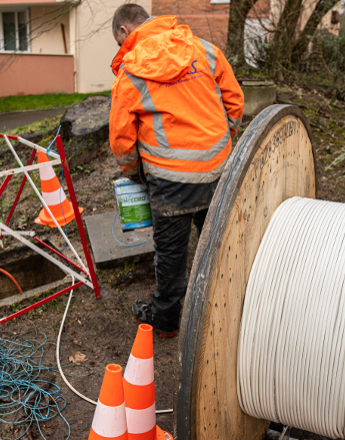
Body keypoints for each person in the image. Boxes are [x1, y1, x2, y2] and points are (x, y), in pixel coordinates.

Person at [109, 4, 244, 337]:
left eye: (118, 42)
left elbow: (122, 141)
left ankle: (167, 322)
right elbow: (235, 102)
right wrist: (225, 140)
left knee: (171, 254)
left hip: (170, 182)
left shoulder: (131, 72)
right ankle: (230, 309)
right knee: (217, 242)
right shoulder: (205, 50)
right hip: (218, 171)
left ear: (125, 32)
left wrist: (134, 173)